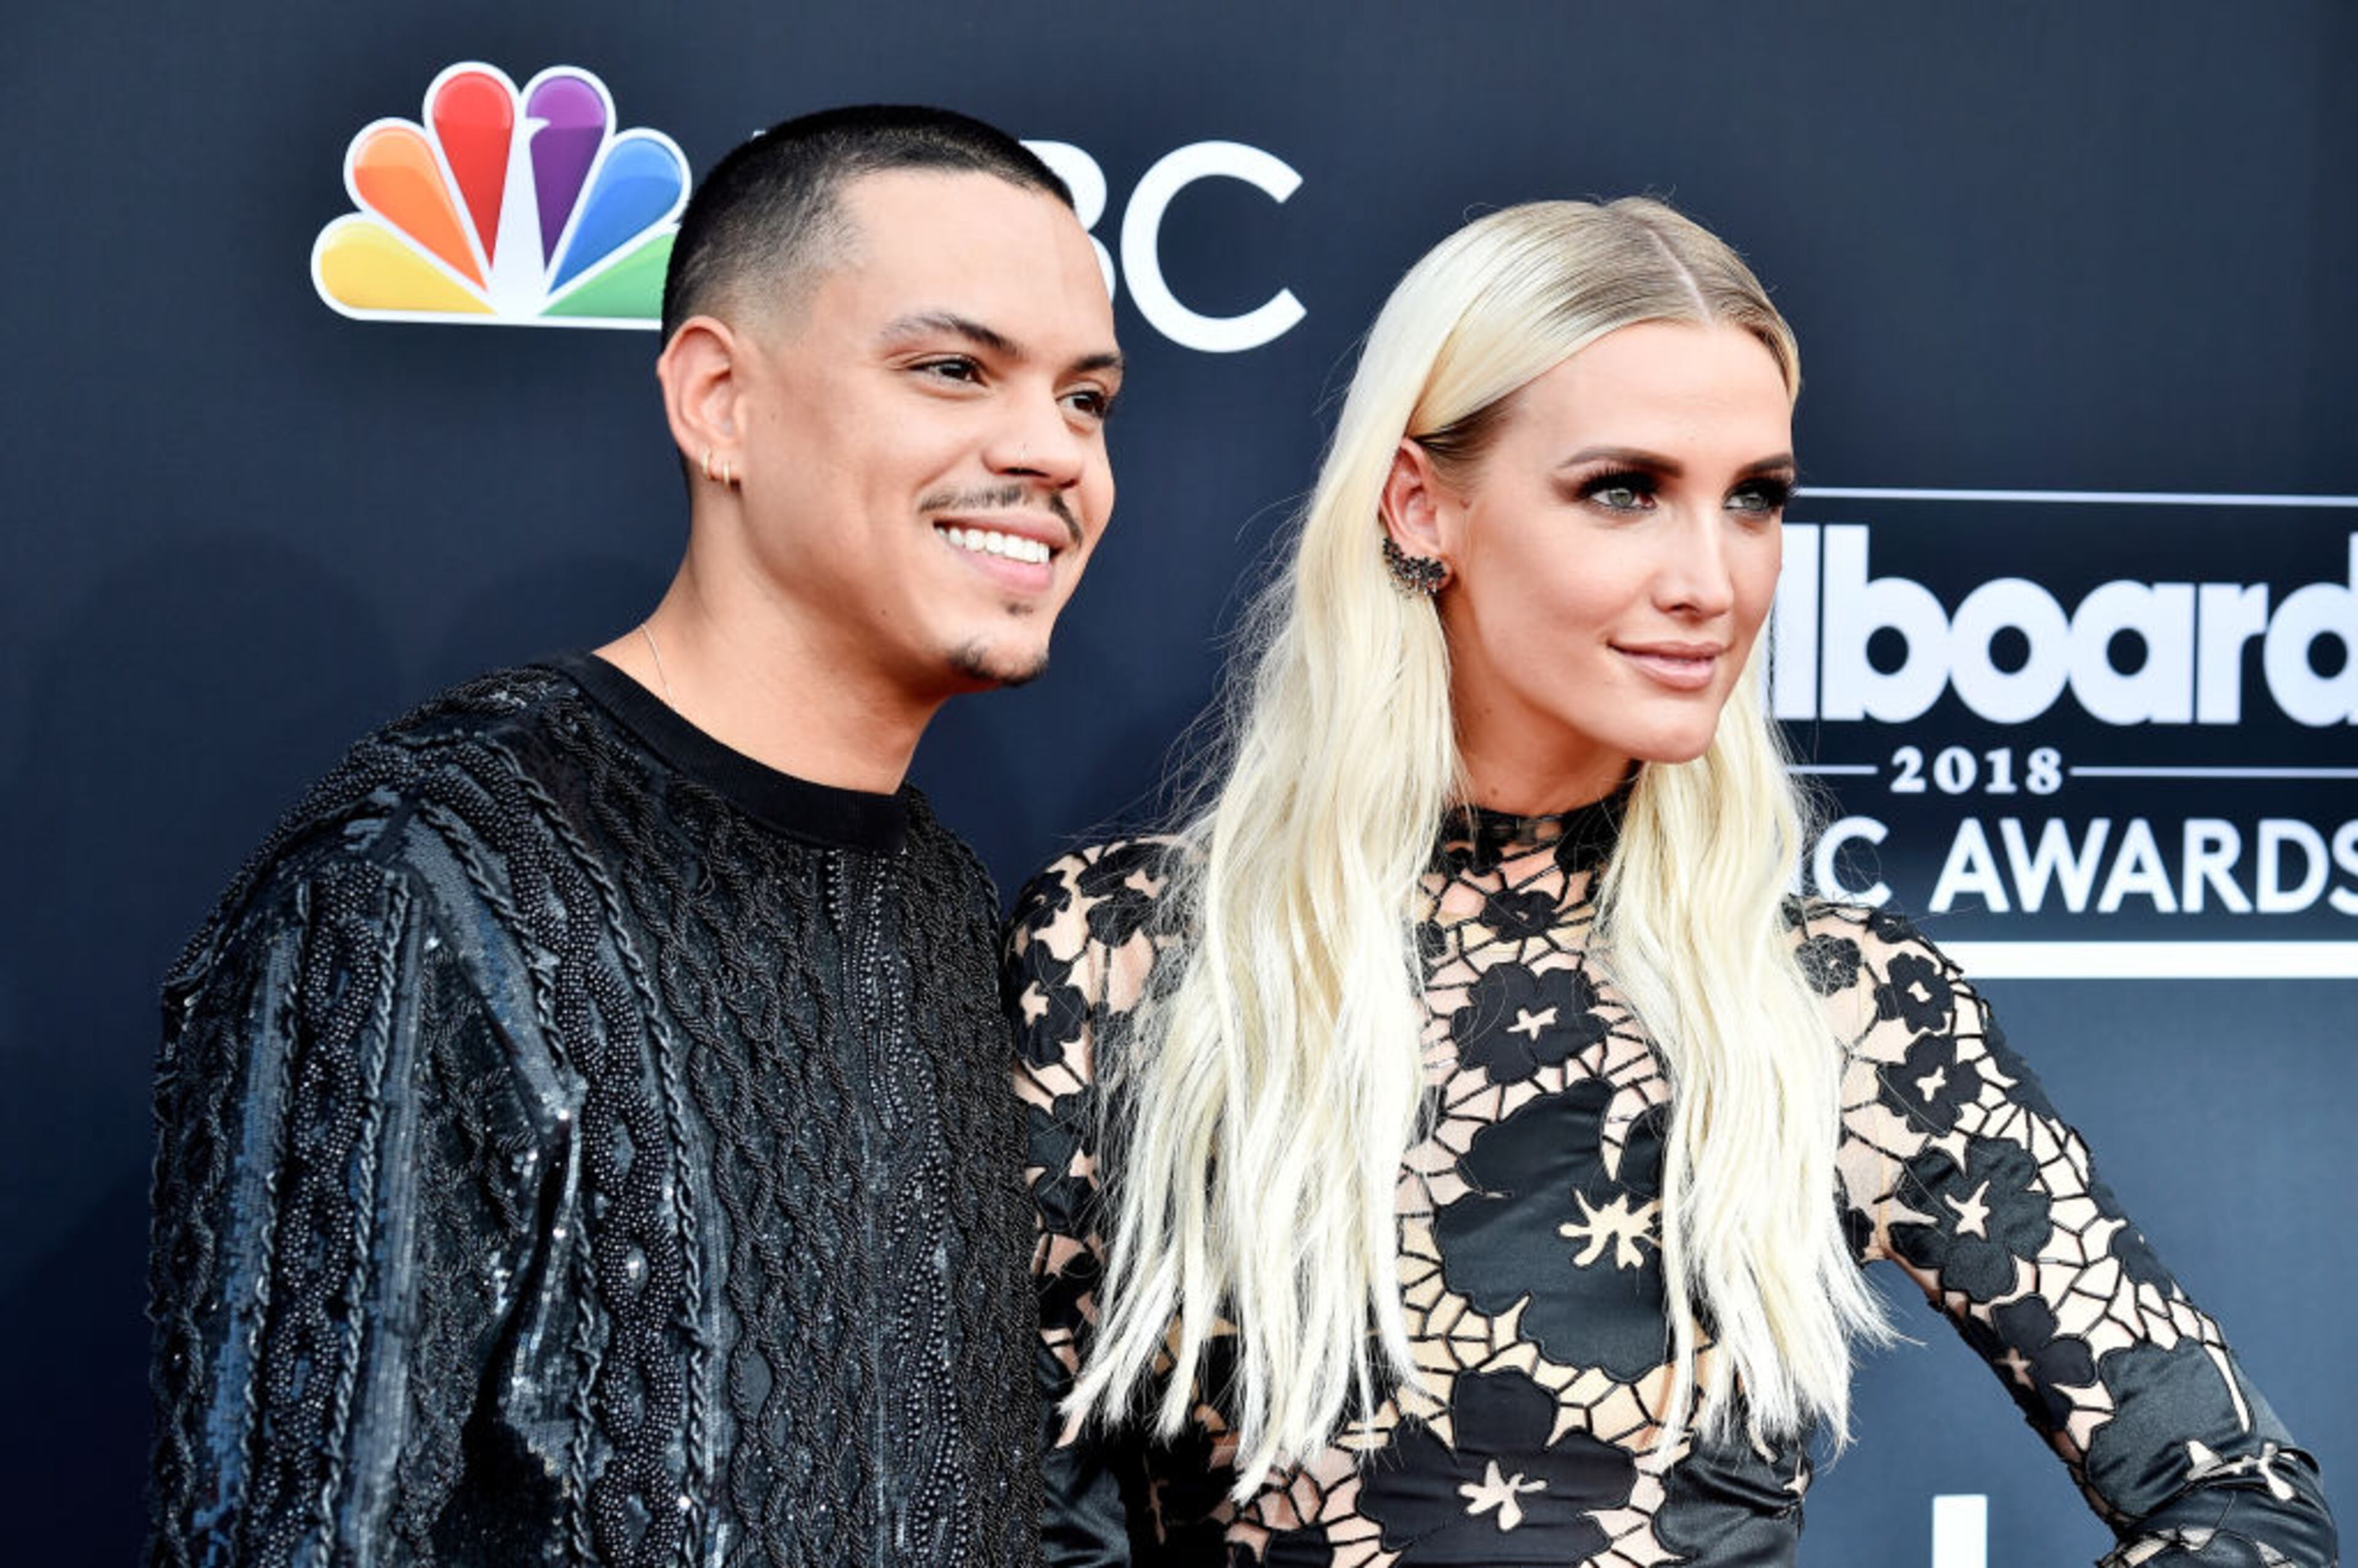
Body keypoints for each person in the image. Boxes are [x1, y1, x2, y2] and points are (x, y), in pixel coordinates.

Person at [1005, 198, 2335, 1564]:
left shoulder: (1837, 1003)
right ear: (1422, 506)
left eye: (1755, 497)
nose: (1713, 578)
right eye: (1625, 489)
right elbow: (1015, 1528)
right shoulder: (1128, 954)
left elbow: (2242, 1506)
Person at [150, 104, 1121, 1567]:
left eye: (1089, 399)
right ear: (719, 401)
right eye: (951, 369)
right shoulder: (417, 882)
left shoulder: (933, 893)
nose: (1049, 450)